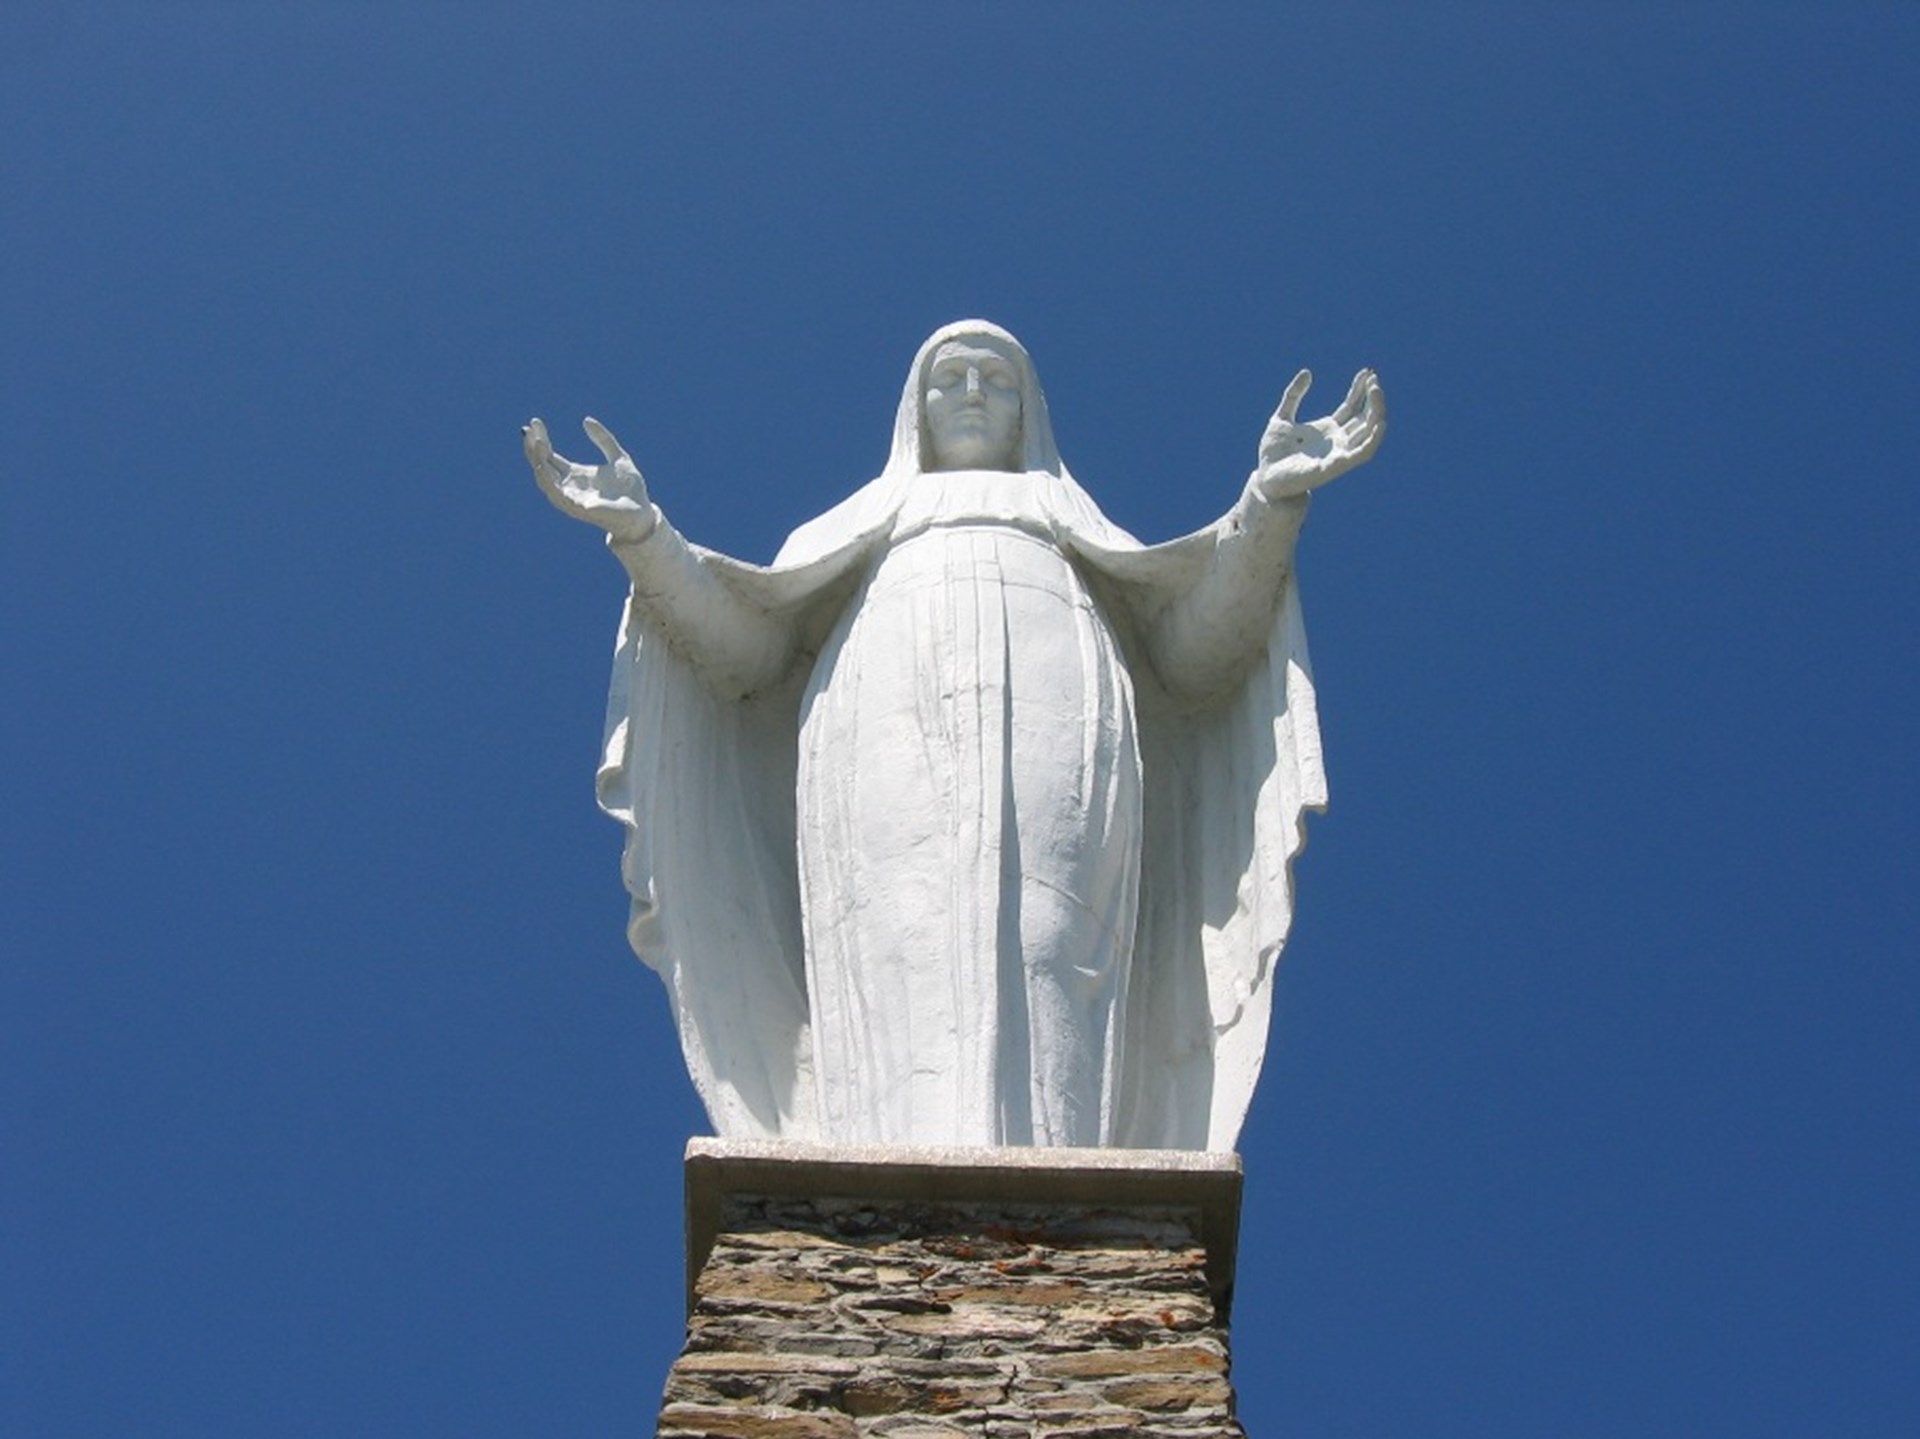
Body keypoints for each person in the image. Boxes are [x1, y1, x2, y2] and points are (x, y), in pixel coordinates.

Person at [525, 320, 1383, 1150]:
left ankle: (1060, 1170)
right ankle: (885, 1163)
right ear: (917, 407)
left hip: (1061, 719)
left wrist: (1270, 504)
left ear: (1028, 411)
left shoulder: (1071, 521)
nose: (973, 391)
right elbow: (747, 653)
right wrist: (644, 537)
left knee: (1051, 938)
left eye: (997, 379)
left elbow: (1193, 658)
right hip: (879, 722)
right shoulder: (859, 524)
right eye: (950, 378)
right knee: (899, 933)